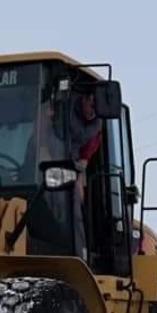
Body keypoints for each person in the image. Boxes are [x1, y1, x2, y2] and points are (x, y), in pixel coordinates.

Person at [68, 91, 102, 260]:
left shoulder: (96, 124)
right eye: (92, 106)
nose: (93, 112)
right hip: (51, 158)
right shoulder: (62, 107)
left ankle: (79, 255)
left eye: (98, 109)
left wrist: (83, 161)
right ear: (85, 98)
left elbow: (90, 146)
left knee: (75, 200)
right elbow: (42, 137)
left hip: (73, 164)